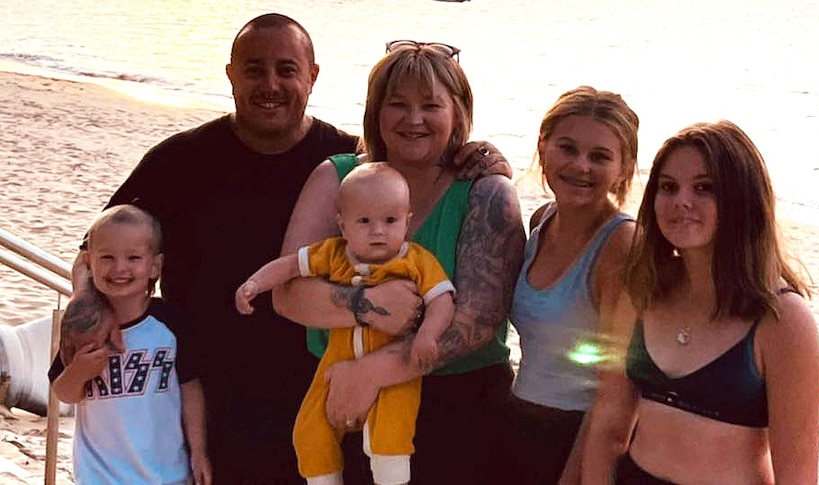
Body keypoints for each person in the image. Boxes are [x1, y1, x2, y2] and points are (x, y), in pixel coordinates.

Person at [72, 14, 508, 482]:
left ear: (313, 76)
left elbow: (480, 310)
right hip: (213, 394)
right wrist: (85, 314)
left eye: (286, 69)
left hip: (327, 393)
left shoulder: (365, 170)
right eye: (255, 69)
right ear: (231, 74)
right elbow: (94, 252)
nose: (271, 84)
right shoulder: (183, 160)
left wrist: (478, 154)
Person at [273, 41, 526, 485]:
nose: (414, 119)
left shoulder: (486, 192)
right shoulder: (338, 176)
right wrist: (367, 303)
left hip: (458, 407)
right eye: (398, 104)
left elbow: (478, 320)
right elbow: (289, 292)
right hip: (342, 396)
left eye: (431, 105)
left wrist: (372, 371)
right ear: (375, 111)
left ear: (458, 111)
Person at [578, 120, 819, 483]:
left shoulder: (783, 319)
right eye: (668, 186)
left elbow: (798, 478)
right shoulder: (643, 289)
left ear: (741, 201)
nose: (682, 201)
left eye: (704, 188)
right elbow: (610, 418)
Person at [236, 163, 455, 485]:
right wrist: (254, 284)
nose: (378, 230)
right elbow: (288, 267)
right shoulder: (333, 254)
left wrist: (427, 334)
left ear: (407, 221)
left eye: (390, 220)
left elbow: (442, 300)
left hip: (394, 365)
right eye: (364, 221)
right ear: (343, 224)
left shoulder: (415, 261)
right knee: (309, 429)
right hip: (334, 362)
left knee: (391, 430)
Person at [498, 86, 639, 484]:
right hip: (518, 424)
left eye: (599, 156)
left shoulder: (622, 245)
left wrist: (576, 476)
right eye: (567, 148)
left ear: (624, 168)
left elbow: (617, 395)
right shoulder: (541, 219)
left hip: (574, 438)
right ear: (543, 149)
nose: (581, 166)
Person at [49, 205, 210, 484]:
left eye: (133, 257)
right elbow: (63, 392)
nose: (120, 268)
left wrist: (199, 451)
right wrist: (78, 372)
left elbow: (190, 387)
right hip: (99, 475)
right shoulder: (84, 326)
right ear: (90, 263)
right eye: (107, 257)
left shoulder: (171, 322)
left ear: (155, 266)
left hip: (166, 474)